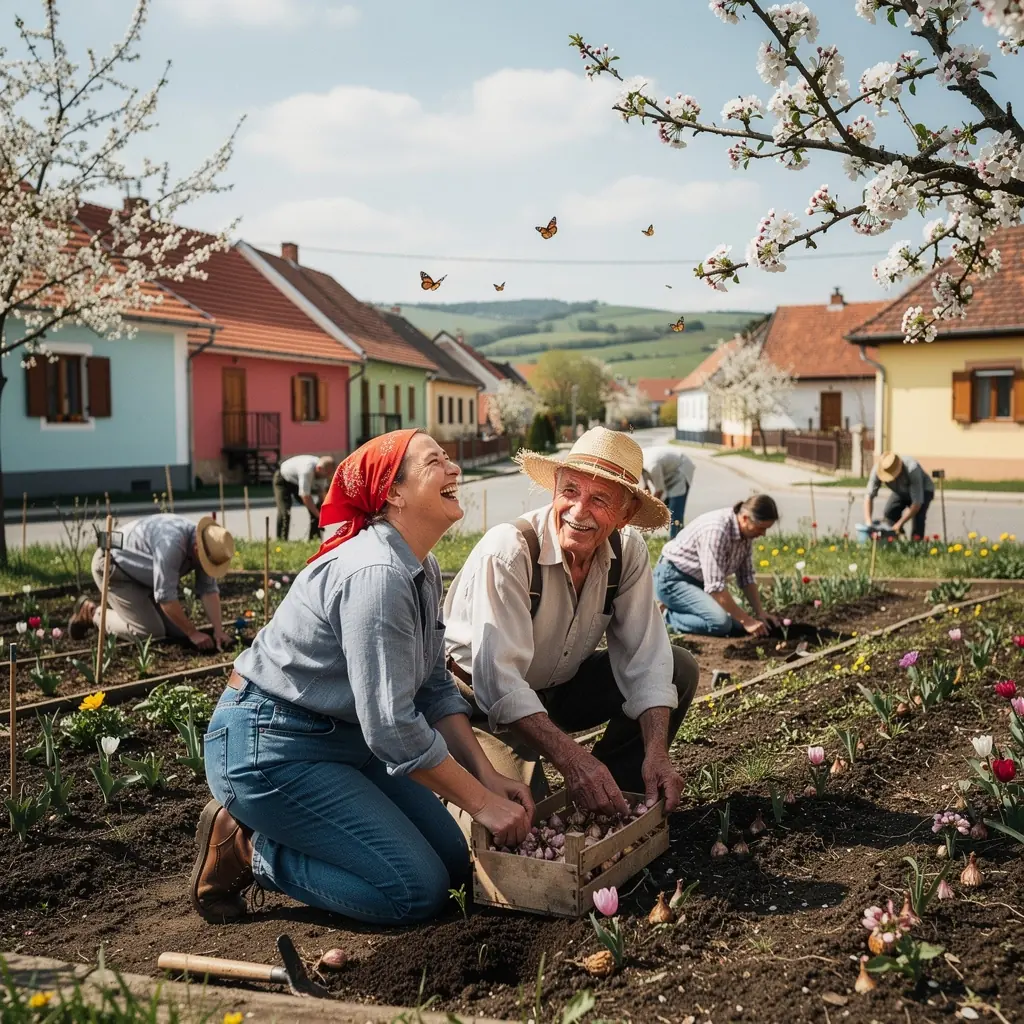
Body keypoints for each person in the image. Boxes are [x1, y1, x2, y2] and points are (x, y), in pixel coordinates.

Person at [190, 429, 534, 926]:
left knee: (455, 868)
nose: (454, 468)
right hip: (271, 747)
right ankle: (248, 849)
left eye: (448, 458)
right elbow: (393, 727)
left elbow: (433, 687)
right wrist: (481, 805)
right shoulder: (376, 574)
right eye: (435, 461)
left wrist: (487, 777)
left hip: (345, 740)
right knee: (415, 891)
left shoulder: (421, 567)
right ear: (393, 493)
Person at [444, 427, 700, 818]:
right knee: (522, 817)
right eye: (570, 491)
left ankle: (617, 794)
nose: (579, 512)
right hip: (480, 704)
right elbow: (499, 684)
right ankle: (472, 773)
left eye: (600, 499)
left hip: (557, 688)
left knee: (677, 668)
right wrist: (574, 760)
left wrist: (657, 753)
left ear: (626, 513)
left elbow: (647, 659)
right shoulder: (510, 551)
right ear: (554, 490)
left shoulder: (627, 552)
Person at [68, 514, 234, 650]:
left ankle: (133, 614)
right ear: (197, 550)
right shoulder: (172, 544)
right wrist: (193, 633)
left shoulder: (208, 544)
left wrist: (218, 631)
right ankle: (93, 614)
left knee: (177, 631)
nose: (206, 567)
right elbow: (166, 598)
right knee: (151, 632)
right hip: (114, 567)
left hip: (141, 573)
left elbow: (208, 589)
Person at [653, 495, 779, 638]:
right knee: (720, 623)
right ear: (745, 518)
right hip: (672, 580)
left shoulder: (745, 534)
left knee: (736, 625)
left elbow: (746, 577)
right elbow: (715, 587)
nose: (763, 534)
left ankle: (681, 609)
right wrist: (747, 621)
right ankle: (665, 616)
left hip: (699, 582)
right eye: (761, 528)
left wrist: (760, 613)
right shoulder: (717, 531)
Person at [864, 452, 935, 540]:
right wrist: (868, 522)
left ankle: (916, 544)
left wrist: (899, 523)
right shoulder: (878, 469)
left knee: (918, 517)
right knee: (889, 512)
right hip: (900, 491)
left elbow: (917, 504)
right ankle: (894, 540)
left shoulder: (912, 468)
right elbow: (869, 496)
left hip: (924, 490)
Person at [274, 454, 335, 541]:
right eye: (327, 474)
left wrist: (322, 512)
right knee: (285, 512)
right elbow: (305, 496)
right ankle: (281, 540)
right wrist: (318, 515)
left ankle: (314, 540)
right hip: (283, 479)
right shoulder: (307, 471)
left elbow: (321, 493)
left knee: (316, 509)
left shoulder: (323, 471)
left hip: (297, 482)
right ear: (319, 469)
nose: (328, 477)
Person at [642, 445, 695, 539]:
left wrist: (651, 510)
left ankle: (677, 540)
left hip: (680, 468)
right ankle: (677, 536)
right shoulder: (639, 463)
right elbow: (646, 489)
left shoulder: (652, 466)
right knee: (666, 508)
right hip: (668, 472)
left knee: (675, 510)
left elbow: (659, 491)